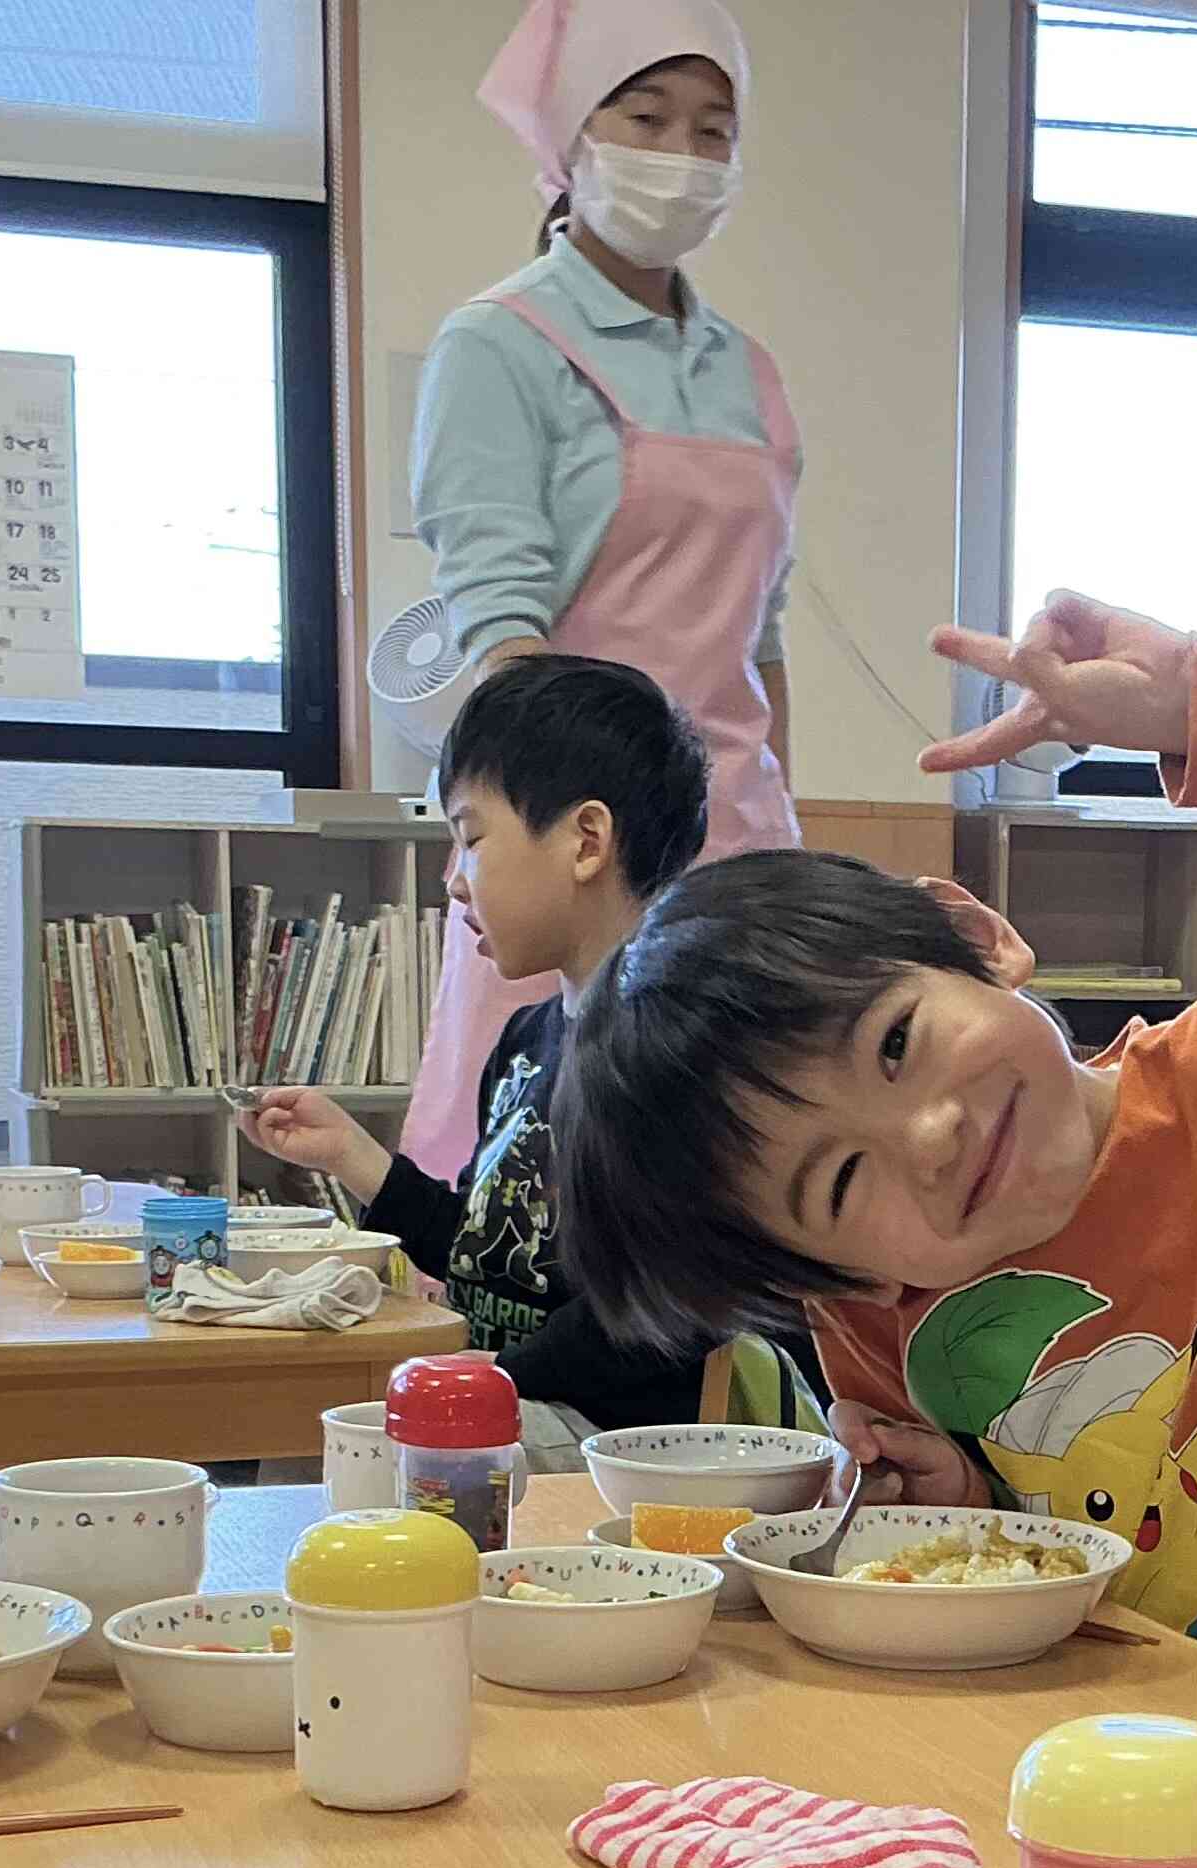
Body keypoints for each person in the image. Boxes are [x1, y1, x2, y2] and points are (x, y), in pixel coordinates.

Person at [552, 592, 1197, 1655]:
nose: (926, 1139)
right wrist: (960, 1497)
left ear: (974, 934)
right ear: (839, 1280)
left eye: (896, 1043)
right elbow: (1040, 1572)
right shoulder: (883, 1321)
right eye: (837, 1184)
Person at [402, 0, 802, 1178]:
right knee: (557, 1182)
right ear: (574, 136)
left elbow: (761, 638)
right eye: (648, 116)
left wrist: (786, 833)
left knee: (731, 1188)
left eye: (713, 128)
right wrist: (539, 854)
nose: (682, 153)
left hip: (732, 831)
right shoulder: (501, 343)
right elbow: (499, 623)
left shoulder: (752, 375)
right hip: (572, 839)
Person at [246, 652, 791, 1449]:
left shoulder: (677, 1050)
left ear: (586, 841)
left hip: (612, 1439)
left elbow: (654, 1312)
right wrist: (352, 1155)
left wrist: (486, 1379)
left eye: (469, 838)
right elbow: (486, 1255)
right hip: (516, 1402)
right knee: (316, 1417)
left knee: (363, 1446)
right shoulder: (526, 1042)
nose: (454, 881)